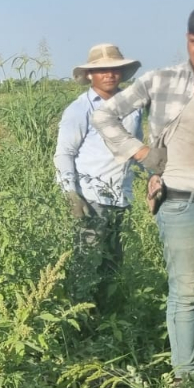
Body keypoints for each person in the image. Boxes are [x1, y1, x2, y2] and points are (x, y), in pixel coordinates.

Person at [94, 3, 194, 383]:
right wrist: (141, 153)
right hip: (184, 206)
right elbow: (105, 114)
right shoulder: (163, 81)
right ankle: (184, 382)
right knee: (186, 295)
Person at [54, 44, 142, 306]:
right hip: (91, 198)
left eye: (114, 69)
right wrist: (71, 193)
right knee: (88, 262)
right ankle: (79, 316)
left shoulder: (132, 107)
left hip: (120, 197)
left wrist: (154, 177)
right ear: (91, 75)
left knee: (113, 263)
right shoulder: (80, 109)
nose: (109, 74)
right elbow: (63, 153)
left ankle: (107, 317)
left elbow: (136, 148)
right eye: (102, 70)